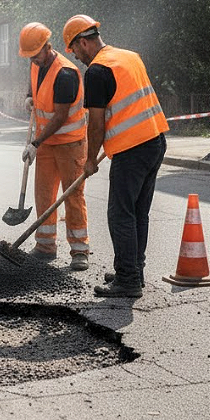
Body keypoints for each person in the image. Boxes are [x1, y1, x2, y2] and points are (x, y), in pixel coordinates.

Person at [64, 15, 168, 298]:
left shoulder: (97, 72)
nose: (75, 57)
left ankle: (127, 280)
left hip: (132, 149)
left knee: (120, 214)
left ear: (83, 42)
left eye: (74, 50)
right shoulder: (129, 56)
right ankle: (134, 270)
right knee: (138, 213)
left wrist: (89, 159)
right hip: (156, 141)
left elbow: (96, 124)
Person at [18, 22, 90, 270]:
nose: (33, 61)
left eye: (35, 55)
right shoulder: (35, 62)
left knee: (72, 195)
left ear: (47, 47)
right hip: (47, 143)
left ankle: (79, 250)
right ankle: (45, 245)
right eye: (30, 57)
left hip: (70, 144)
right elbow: (35, 80)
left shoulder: (65, 74)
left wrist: (34, 143)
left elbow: (60, 117)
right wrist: (29, 96)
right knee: (44, 194)